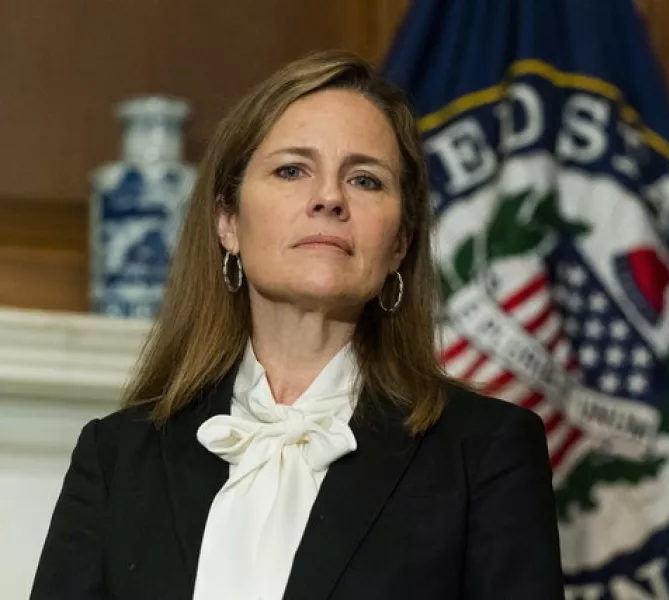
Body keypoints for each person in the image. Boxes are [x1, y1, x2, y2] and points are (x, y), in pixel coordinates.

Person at [30, 50, 564, 600]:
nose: (330, 198)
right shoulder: (117, 456)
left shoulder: (484, 452)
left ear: (400, 243)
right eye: (292, 170)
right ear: (228, 221)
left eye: (365, 180)